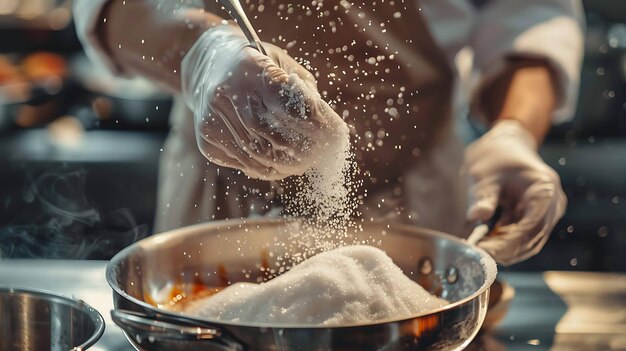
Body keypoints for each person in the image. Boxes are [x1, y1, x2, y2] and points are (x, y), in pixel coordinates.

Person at [73, 0, 584, 266]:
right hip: (217, 198)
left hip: (420, 200)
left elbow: (531, 14)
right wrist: (202, 56)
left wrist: (513, 131)